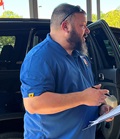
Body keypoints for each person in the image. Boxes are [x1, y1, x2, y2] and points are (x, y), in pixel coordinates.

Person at [20, 3, 113, 139]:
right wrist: (83, 97)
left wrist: (101, 109)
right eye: (82, 25)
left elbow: (86, 95)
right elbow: (34, 104)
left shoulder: (80, 56)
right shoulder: (40, 58)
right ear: (65, 26)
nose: (87, 30)